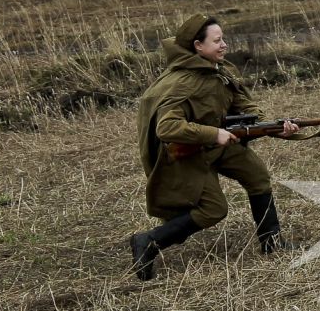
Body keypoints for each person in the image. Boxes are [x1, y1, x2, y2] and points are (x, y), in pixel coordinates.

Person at [129, 14, 300, 280]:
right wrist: (213, 134)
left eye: (223, 39)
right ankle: (149, 241)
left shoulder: (218, 70)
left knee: (257, 176)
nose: (224, 45)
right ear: (198, 45)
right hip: (189, 153)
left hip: (220, 142)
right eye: (217, 41)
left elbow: (242, 104)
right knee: (214, 210)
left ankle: (271, 242)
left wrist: (274, 126)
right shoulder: (182, 83)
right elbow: (167, 128)